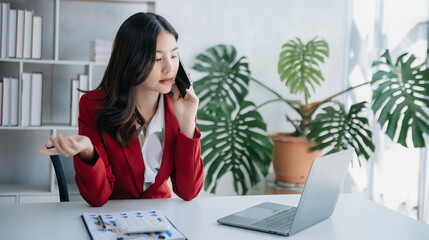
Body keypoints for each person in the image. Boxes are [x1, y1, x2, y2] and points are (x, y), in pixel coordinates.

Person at [37, 12, 204, 207]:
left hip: (160, 217)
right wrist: (88, 152)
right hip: (112, 219)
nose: (169, 68)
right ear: (132, 60)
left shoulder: (179, 106)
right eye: (157, 59)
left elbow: (188, 192)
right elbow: (97, 198)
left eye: (174, 56)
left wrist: (186, 123)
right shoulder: (93, 105)